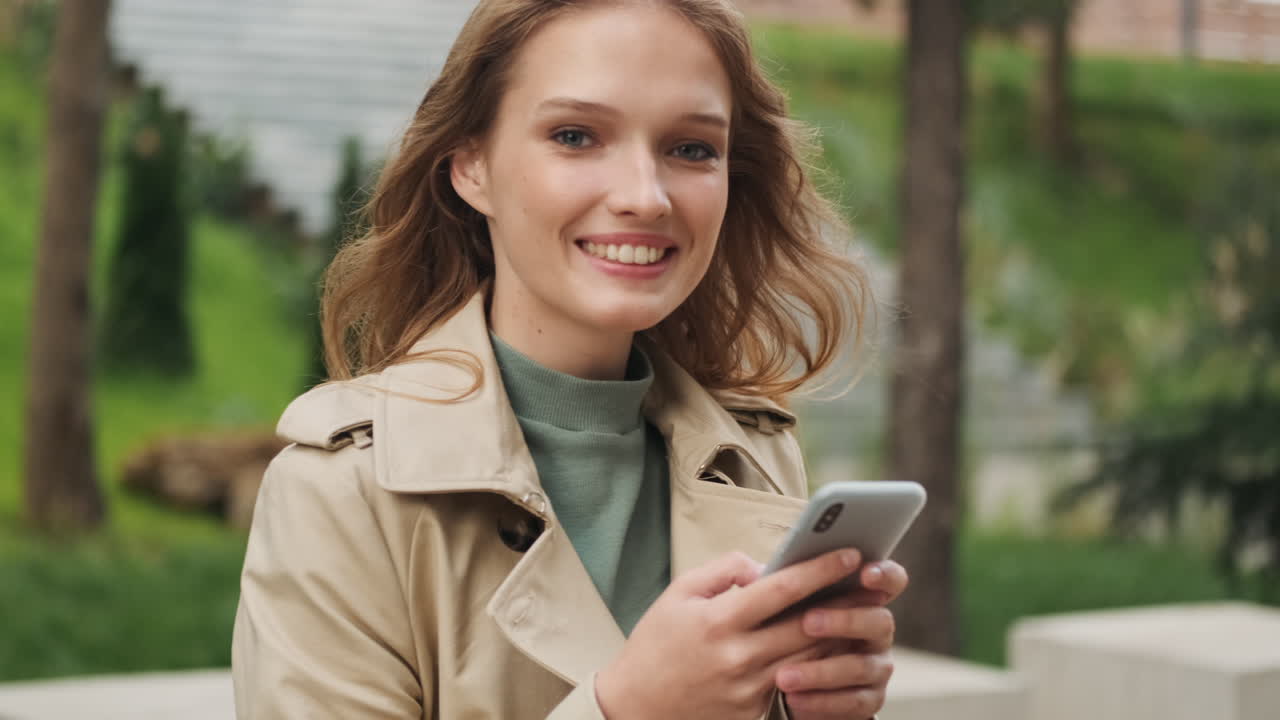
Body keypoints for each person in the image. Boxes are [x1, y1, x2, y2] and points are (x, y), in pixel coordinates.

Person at [231, 0, 909, 718]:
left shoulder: (757, 456)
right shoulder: (342, 491)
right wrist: (624, 710)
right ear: (471, 165)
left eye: (691, 148)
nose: (644, 197)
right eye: (576, 136)